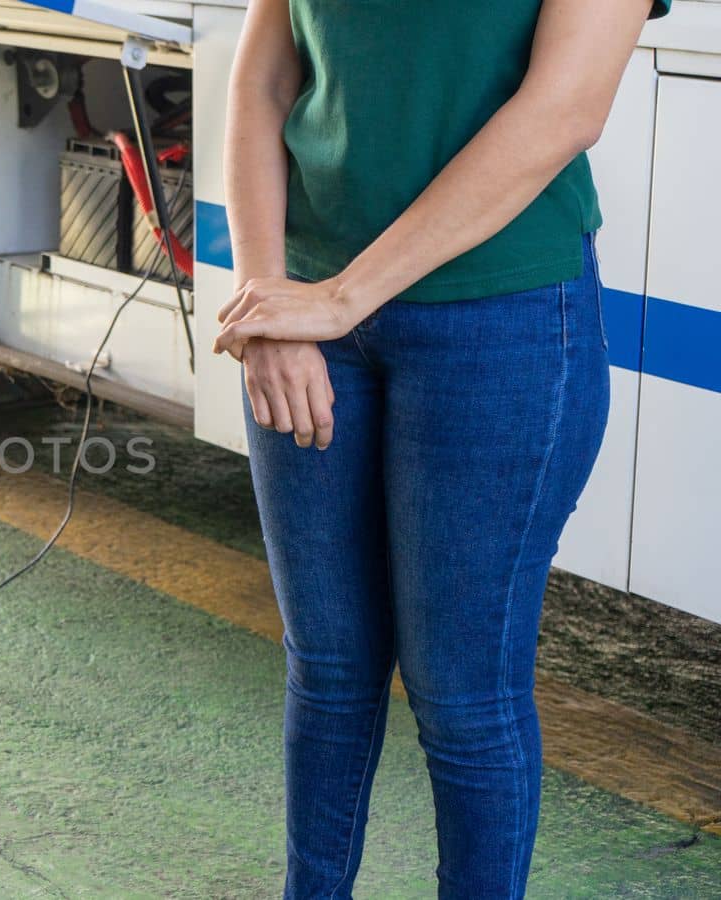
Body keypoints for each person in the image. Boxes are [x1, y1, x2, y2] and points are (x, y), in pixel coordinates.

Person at [214, 0, 671, 896]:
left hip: (499, 321)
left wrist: (341, 297)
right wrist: (270, 297)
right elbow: (266, 76)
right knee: (331, 666)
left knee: (463, 697)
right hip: (308, 312)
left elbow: (566, 107)